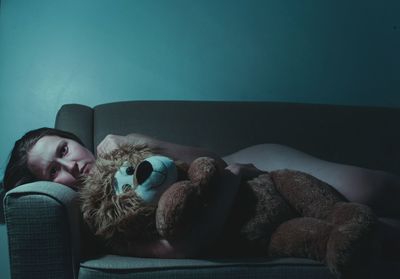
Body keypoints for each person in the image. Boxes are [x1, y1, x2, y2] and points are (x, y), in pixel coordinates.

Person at [3, 127, 400, 258]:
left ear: (73, 140)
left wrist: (142, 140)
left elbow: (209, 158)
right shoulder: (102, 220)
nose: (70, 165)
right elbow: (185, 245)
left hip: (251, 163)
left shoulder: (119, 147)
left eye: (63, 149)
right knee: (373, 231)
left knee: (375, 186)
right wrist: (230, 180)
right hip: (240, 197)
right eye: (53, 170)